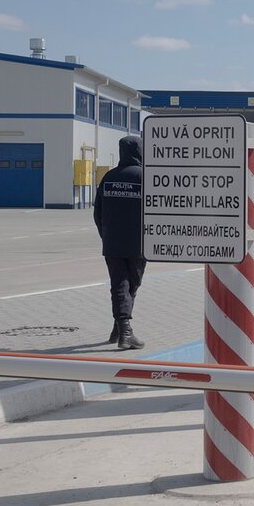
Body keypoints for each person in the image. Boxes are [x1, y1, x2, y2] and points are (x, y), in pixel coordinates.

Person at [94, 135, 147, 350]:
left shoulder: (109, 177)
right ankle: (125, 330)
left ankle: (119, 326)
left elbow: (98, 212)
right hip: (139, 243)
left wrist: (106, 235)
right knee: (131, 284)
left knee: (119, 284)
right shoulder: (146, 177)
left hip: (112, 243)